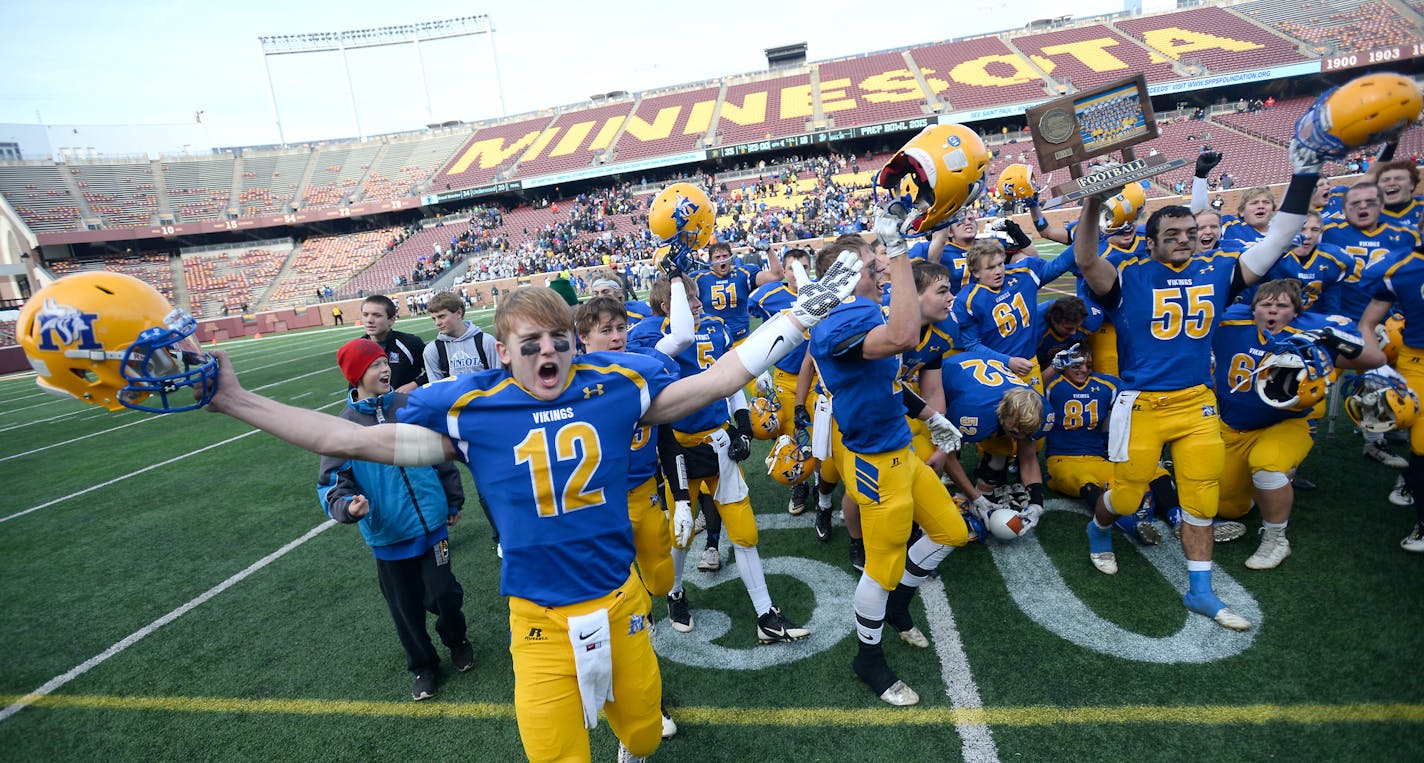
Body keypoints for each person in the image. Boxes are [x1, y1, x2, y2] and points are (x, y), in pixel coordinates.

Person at [202, 257, 861, 762]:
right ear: (503, 352)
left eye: (558, 339)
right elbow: (344, 437)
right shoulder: (474, 411)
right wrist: (233, 399)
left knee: (645, 736)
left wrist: (813, 303)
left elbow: (722, 377)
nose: (547, 351)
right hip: (538, 623)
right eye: (529, 344)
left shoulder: (614, 385)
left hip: (620, 603)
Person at [1069, 139, 1325, 632]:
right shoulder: (1130, 275)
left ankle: (1200, 590)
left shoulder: (1220, 271)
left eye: (1190, 231)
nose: (1185, 239)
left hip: (1196, 403)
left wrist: (1305, 175)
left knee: (1201, 495)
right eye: (1173, 234)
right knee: (1126, 496)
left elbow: (1279, 239)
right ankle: (1099, 526)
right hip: (1141, 404)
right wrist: (1094, 201)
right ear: (1152, 241)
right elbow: (1084, 258)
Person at [809, 230, 969, 707]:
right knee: (880, 570)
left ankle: (899, 606)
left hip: (902, 450)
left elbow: (888, 386)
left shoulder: (859, 313)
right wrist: (900, 255)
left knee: (951, 532)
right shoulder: (837, 322)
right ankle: (869, 658)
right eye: (867, 266)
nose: (876, 271)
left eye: (876, 265)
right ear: (839, 279)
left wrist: (932, 417)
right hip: (874, 463)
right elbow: (903, 334)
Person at [628, 274, 811, 645]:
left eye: (696, 299)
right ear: (668, 307)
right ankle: (675, 594)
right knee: (680, 535)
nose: (699, 305)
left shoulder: (714, 327)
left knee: (744, 532)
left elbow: (729, 382)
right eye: (692, 299)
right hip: (679, 447)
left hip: (718, 440)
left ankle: (765, 615)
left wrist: (742, 426)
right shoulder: (648, 337)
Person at [317, 338, 473, 702]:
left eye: (385, 362)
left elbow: (441, 457)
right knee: (405, 610)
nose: (385, 369)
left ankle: (457, 639)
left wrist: (453, 499)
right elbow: (330, 483)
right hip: (387, 537)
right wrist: (347, 508)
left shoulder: (409, 406)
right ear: (356, 375)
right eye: (375, 365)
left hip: (432, 527)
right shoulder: (343, 428)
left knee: (444, 594)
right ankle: (423, 666)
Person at [1214, 279, 1380, 568]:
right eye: (1266, 304)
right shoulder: (1229, 322)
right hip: (1232, 427)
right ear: (1253, 308)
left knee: (1267, 466)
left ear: (1297, 311)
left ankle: (1276, 539)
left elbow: (1373, 359)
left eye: (1282, 305)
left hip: (1285, 424)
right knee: (1229, 508)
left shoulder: (1310, 332)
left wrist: (1335, 339)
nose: (1273, 311)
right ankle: (1269, 486)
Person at [1322, 181, 1421, 469]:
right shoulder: (1329, 233)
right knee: (1314, 384)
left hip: (1386, 322)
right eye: (1355, 204)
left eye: (1369, 202)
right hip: (1339, 321)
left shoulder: (1402, 236)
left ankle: (1377, 436)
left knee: (1392, 367)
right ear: (1343, 209)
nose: (1362, 207)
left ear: (1381, 205)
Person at [690, 241, 782, 344]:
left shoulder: (743, 274)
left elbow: (777, 276)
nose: (722, 259)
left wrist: (769, 250)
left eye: (725, 256)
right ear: (711, 261)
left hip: (741, 339)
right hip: (714, 340)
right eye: (717, 257)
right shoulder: (699, 278)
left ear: (730, 257)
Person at [423, 292, 501, 382]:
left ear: (459, 313)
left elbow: (499, 380)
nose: (437, 323)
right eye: (434, 319)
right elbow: (436, 389)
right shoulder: (432, 350)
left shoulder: (486, 342)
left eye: (441, 316)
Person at [361, 295, 426, 393]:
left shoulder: (410, 343)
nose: (369, 320)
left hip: (408, 405)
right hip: (372, 407)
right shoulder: (357, 348)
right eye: (365, 314)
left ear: (392, 320)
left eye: (377, 315)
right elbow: (354, 386)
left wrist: (415, 384)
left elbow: (435, 369)